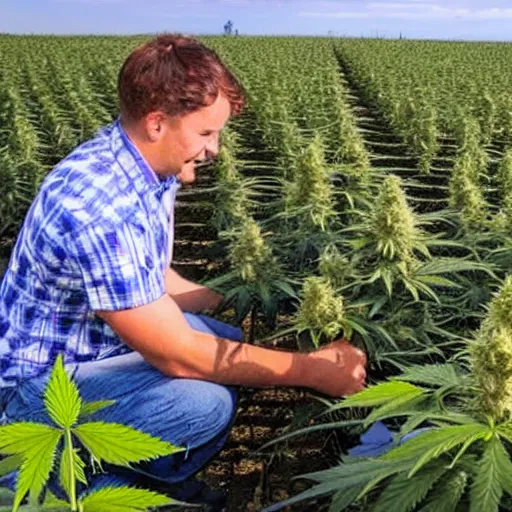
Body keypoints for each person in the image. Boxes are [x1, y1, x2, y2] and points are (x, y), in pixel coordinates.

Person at [0, 34, 367, 510]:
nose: (215, 149)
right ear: (157, 123)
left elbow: (154, 276)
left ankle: (146, 469)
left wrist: (236, 297)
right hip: (35, 395)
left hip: (92, 352)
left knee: (223, 334)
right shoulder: (99, 207)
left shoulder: (150, 168)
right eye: (206, 133)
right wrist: (310, 372)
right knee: (204, 403)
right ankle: (70, 483)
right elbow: (178, 356)